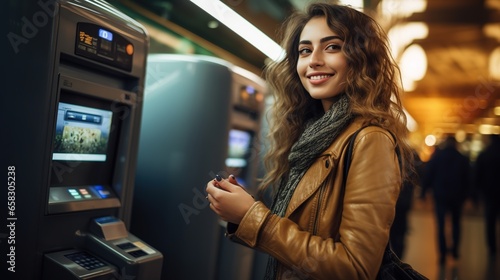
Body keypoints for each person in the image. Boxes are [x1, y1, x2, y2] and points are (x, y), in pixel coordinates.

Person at [206, 3, 414, 279]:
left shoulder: (370, 139)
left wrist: (252, 217)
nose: (314, 60)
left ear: (361, 58)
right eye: (305, 50)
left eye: (332, 47)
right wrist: (240, 210)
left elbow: (355, 267)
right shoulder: (313, 134)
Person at [420, 135, 470, 265]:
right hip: (457, 197)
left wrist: (423, 193)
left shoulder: (437, 157)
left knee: (441, 225)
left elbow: (428, 175)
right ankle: (455, 251)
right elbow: (468, 179)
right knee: (456, 224)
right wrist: (469, 196)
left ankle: (442, 254)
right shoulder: (462, 158)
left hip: (440, 196)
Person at [474, 134, 500, 258]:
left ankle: (492, 248)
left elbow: (477, 176)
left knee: (490, 221)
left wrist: (475, 196)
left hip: (489, 193)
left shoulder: (485, 154)